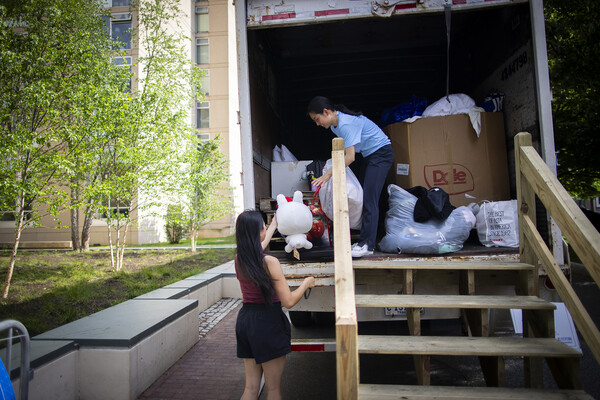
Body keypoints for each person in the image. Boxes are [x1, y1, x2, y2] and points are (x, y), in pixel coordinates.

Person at [235, 210, 315, 400]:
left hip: (246, 321)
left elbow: (258, 247)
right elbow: (288, 301)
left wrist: (272, 226)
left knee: (251, 388)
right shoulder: (270, 262)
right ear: (257, 232)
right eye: (263, 226)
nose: (265, 228)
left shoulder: (240, 258)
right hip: (267, 323)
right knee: (273, 390)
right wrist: (306, 283)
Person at [307, 95, 394, 258]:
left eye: (317, 119)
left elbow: (350, 157)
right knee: (362, 195)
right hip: (370, 155)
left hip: (381, 154)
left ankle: (367, 245)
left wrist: (327, 175)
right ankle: (363, 241)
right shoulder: (335, 127)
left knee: (370, 199)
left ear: (326, 112)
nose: (317, 124)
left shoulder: (345, 124)